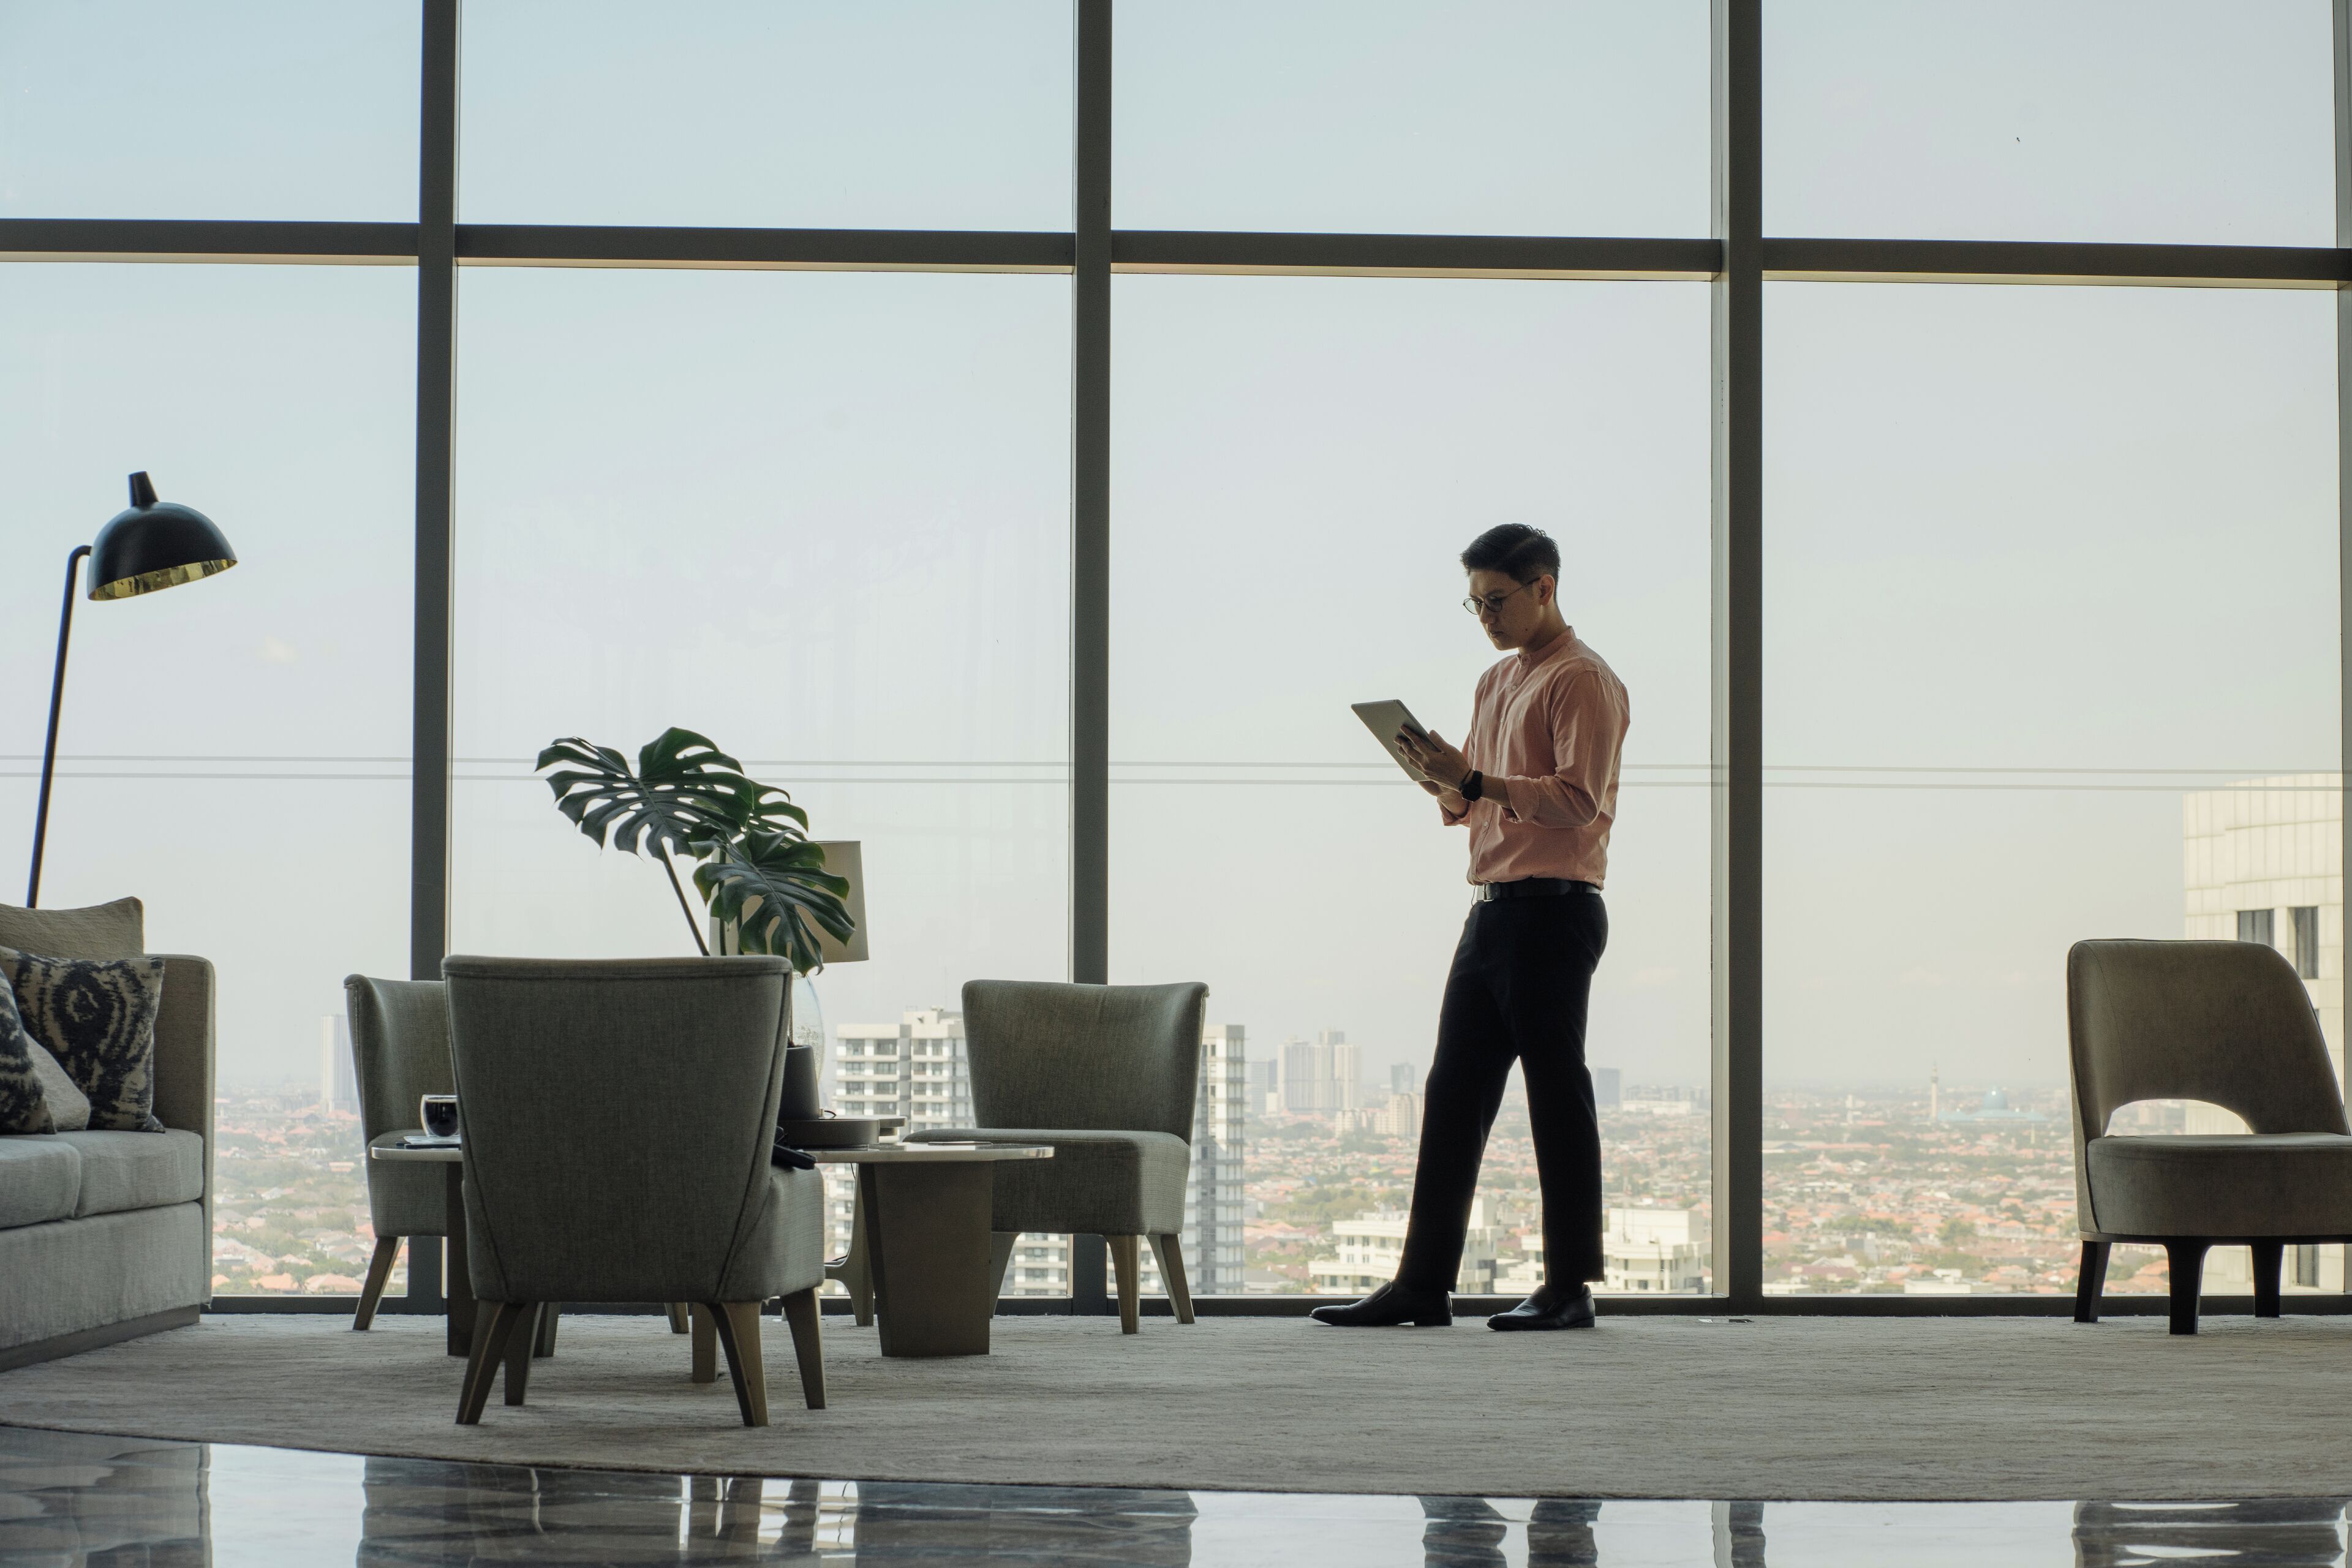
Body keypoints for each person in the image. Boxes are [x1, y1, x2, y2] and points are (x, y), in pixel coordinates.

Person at [1312, 523, 1629, 1332]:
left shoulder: (1583, 680)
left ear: (1545, 589)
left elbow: (1577, 799)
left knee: (1558, 1096)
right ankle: (1422, 1285)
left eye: (1497, 600)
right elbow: (1480, 799)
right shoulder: (1495, 682)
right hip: (1491, 909)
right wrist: (1446, 785)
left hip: (1555, 909)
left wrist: (1477, 778)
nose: (1485, 616)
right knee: (1453, 1094)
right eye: (1475, 602)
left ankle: (1570, 1290)